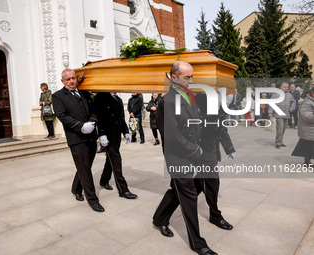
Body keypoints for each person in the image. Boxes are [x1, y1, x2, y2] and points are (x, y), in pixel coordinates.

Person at [153, 61, 218, 255]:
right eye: (186, 77)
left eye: (192, 76)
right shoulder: (168, 101)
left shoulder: (188, 95)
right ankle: (197, 243)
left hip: (191, 151)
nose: (191, 80)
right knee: (188, 196)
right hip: (178, 156)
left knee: (178, 190)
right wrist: (195, 151)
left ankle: (159, 218)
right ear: (174, 77)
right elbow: (172, 136)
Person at [52, 68, 104, 213]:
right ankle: (93, 200)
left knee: (85, 166)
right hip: (76, 138)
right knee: (85, 169)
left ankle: (76, 189)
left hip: (91, 135)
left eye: (73, 78)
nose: (71, 81)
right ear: (62, 81)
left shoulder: (84, 93)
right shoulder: (58, 96)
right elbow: (62, 115)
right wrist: (81, 126)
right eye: (68, 79)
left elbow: (94, 110)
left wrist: (92, 123)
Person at [195, 92, 235, 231]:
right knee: (212, 183)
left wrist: (230, 149)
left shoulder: (221, 110)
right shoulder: (201, 99)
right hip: (203, 151)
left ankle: (164, 213)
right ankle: (215, 216)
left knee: (196, 184)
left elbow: (222, 131)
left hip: (211, 151)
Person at [94, 92, 138, 199]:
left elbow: (121, 118)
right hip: (107, 135)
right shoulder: (101, 96)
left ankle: (104, 181)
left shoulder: (118, 98)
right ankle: (123, 189)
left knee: (110, 160)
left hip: (116, 134)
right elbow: (98, 116)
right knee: (116, 160)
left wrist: (126, 131)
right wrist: (101, 133)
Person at [268, 82, 295, 149]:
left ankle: (281, 141)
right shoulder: (276, 94)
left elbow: (293, 102)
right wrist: (270, 112)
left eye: (287, 87)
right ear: (281, 87)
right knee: (280, 128)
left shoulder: (289, 95)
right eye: (284, 87)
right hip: (278, 114)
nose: (286, 88)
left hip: (287, 114)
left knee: (283, 128)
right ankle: (277, 142)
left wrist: (292, 107)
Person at [292, 86, 314, 166]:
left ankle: (307, 161)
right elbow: (308, 117)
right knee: (308, 146)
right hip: (308, 129)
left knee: (310, 147)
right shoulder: (307, 102)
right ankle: (307, 162)